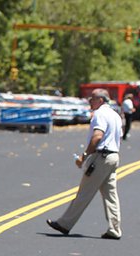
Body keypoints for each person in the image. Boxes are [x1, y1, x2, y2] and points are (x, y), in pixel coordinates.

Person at [46, 88, 122, 239]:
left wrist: (85, 155)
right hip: (113, 156)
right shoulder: (115, 115)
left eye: (92, 99)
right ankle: (114, 229)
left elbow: (97, 136)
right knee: (110, 195)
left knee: (84, 192)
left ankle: (65, 223)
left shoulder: (100, 114)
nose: (90, 102)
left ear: (100, 100)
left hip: (101, 157)